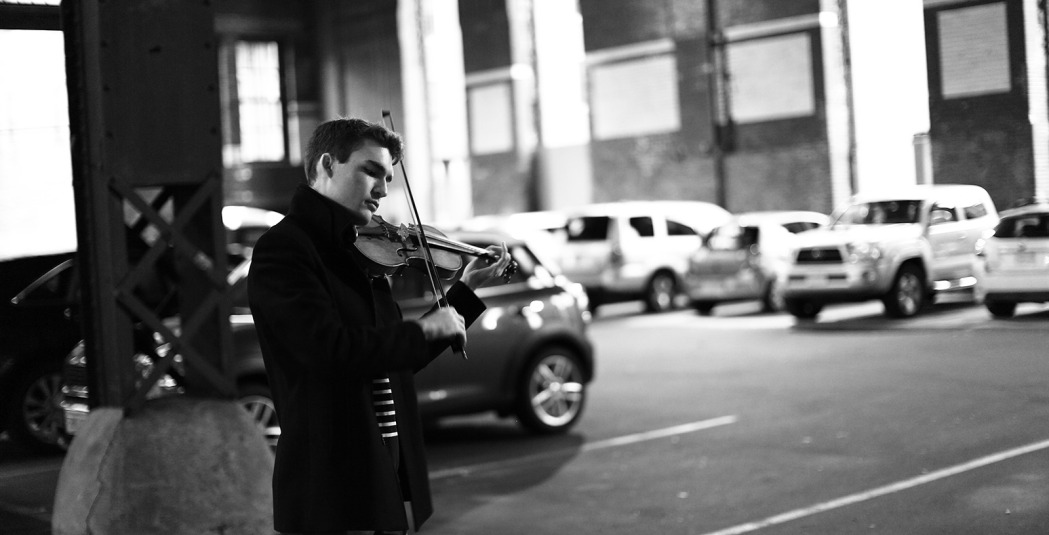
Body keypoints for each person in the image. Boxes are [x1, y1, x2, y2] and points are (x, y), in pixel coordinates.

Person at [247, 117, 512, 535]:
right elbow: (329, 351)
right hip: (331, 487)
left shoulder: (357, 250)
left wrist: (465, 290)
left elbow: (391, 356)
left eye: (388, 176)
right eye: (370, 171)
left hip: (381, 472)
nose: (384, 189)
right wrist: (424, 330)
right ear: (327, 165)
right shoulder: (284, 249)